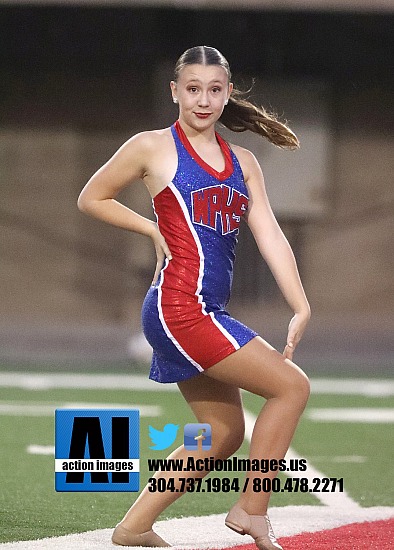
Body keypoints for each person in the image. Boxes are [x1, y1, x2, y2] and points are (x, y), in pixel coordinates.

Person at [78, 45, 311, 550]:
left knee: (222, 433)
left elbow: (269, 234)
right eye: (192, 88)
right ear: (175, 92)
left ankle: (134, 527)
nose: (203, 99)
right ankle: (252, 509)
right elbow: (91, 197)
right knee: (291, 388)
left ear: (227, 94)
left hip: (206, 310)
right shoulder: (152, 146)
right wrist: (150, 228)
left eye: (214, 89)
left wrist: (301, 305)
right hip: (180, 307)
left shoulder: (243, 162)